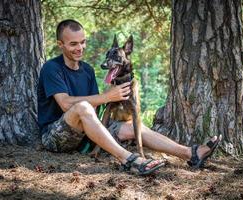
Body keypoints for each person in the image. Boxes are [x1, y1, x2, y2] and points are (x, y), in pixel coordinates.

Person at [37, 19, 221, 175]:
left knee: (133, 126)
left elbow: (95, 108)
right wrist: (107, 96)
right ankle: (129, 160)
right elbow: (65, 104)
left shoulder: (87, 70)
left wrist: (113, 101)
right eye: (73, 44)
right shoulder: (52, 68)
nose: (80, 48)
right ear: (60, 44)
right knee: (82, 107)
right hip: (56, 136)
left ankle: (191, 153)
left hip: (87, 135)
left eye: (83, 42)